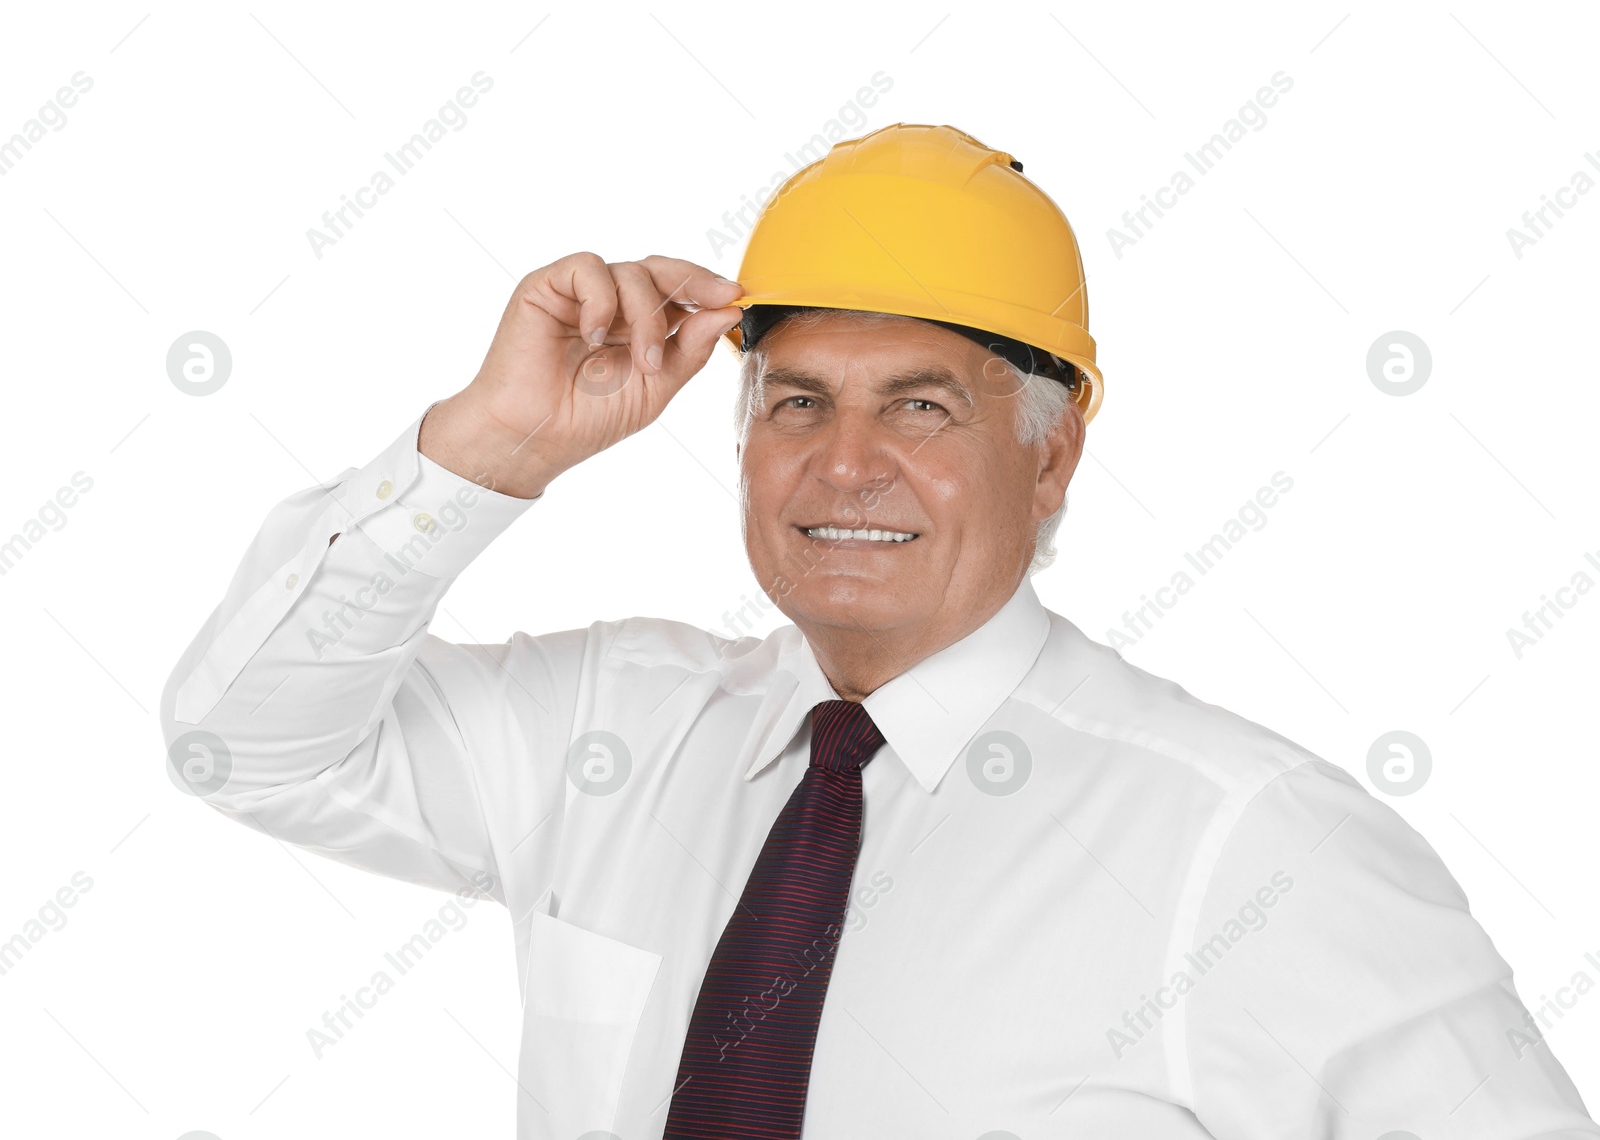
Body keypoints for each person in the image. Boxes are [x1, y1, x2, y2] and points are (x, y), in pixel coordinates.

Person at [160, 124, 1597, 1139]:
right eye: (798, 401)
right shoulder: (609, 730)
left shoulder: (1252, 849)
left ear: (1050, 458)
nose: (843, 466)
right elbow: (247, 747)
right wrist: (490, 449)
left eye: (921, 405)